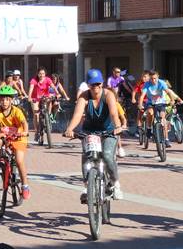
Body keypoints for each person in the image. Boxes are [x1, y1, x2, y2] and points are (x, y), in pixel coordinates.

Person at [64, 69, 125, 201]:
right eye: (92, 84)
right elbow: (77, 114)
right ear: (88, 85)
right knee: (87, 156)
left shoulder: (108, 95)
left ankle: (115, 184)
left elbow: (114, 113)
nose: (95, 87)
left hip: (108, 131)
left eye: (98, 84)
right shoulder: (84, 96)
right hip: (90, 131)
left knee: (108, 155)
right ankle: (87, 187)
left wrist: (118, 126)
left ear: (102, 83)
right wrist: (70, 129)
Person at [0, 85, 30, 200]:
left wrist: (25, 132)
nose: (4, 102)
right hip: (5, 135)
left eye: (7, 99)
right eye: (2, 99)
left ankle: (25, 186)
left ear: (11, 100)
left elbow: (24, 123)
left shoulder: (16, 111)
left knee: (19, 161)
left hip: (19, 136)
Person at [142, 69, 183, 146]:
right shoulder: (147, 84)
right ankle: (148, 129)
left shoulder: (162, 83)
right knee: (150, 113)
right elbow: (142, 95)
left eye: (155, 78)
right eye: (151, 78)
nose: (153, 80)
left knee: (163, 119)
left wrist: (172, 100)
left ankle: (166, 139)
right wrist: (140, 104)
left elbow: (168, 92)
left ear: (158, 77)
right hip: (151, 103)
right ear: (149, 78)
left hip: (161, 103)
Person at [28, 68, 56, 137]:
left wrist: (57, 93)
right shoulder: (34, 80)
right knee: (36, 114)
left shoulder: (47, 79)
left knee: (50, 100)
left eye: (43, 73)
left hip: (45, 97)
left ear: (45, 74)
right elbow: (31, 88)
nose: (41, 75)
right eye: (40, 73)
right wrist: (29, 97)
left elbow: (53, 86)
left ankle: (48, 118)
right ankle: (37, 130)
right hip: (35, 98)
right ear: (37, 74)